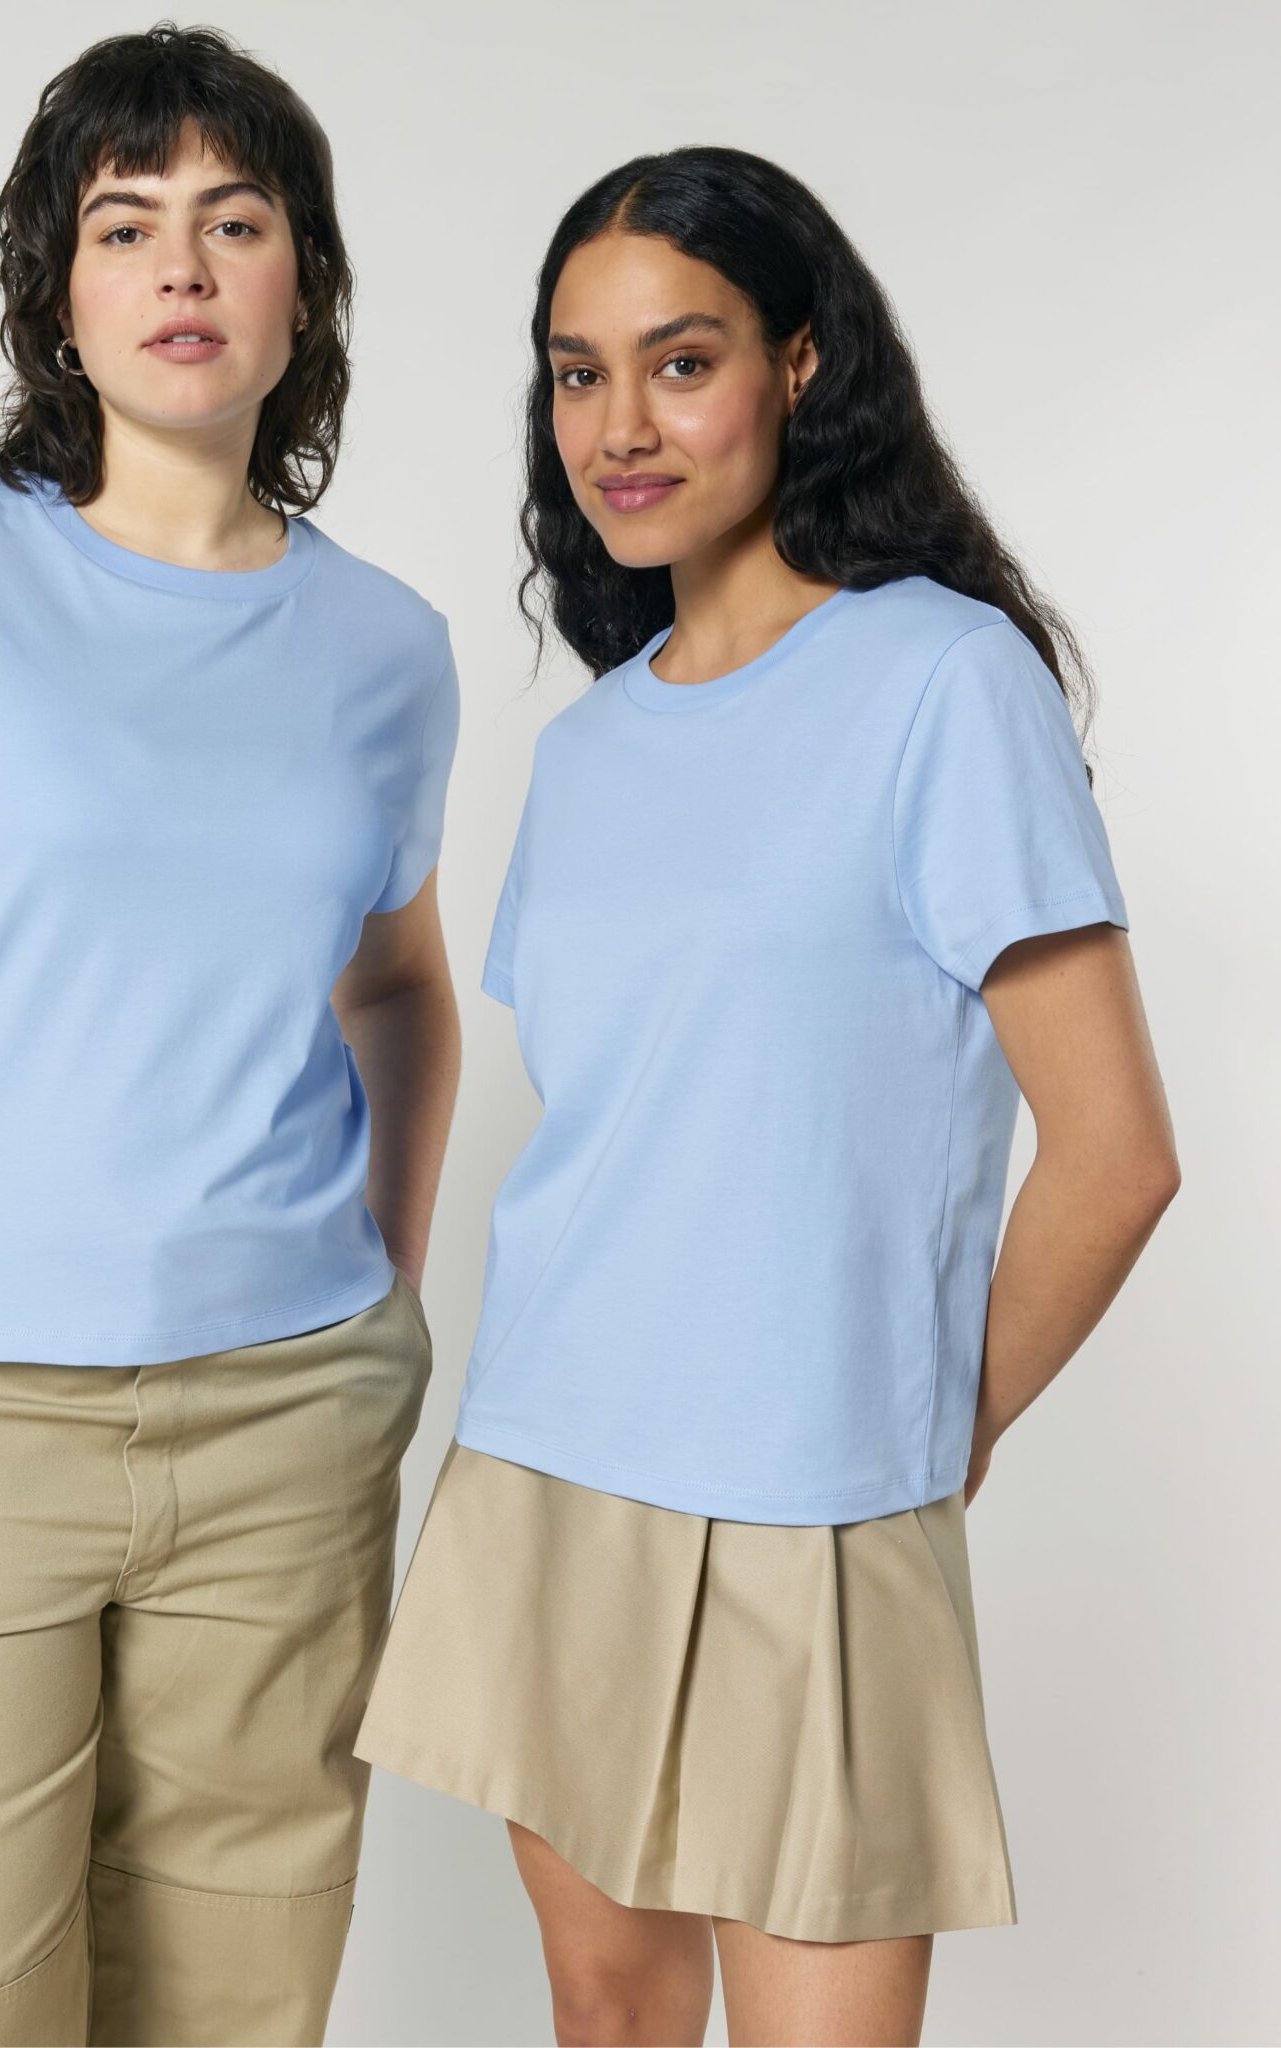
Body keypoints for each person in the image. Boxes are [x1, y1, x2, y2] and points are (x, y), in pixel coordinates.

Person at [354, 145, 1179, 2048]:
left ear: (799, 364)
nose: (618, 426)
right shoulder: (591, 741)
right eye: (577, 373)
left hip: (815, 1496)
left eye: (680, 360)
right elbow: (632, 1129)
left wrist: (928, 1427)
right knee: (607, 2020)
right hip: (548, 1462)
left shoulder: (942, 681)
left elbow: (1117, 1155)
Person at [0, 26, 459, 2047]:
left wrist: (379, 1302)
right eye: (126, 227)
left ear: (305, 284)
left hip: (286, 1426)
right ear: (59, 293)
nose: (183, 266)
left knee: (232, 2005)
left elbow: (398, 984)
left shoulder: (389, 648)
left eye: (234, 220)